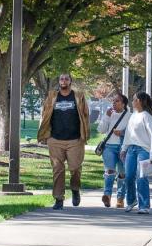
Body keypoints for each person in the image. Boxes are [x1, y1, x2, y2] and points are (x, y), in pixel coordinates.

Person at [37, 72, 91, 210]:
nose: (64, 80)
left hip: (75, 140)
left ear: (70, 81)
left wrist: (84, 135)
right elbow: (44, 115)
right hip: (55, 139)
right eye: (61, 78)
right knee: (57, 169)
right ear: (59, 82)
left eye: (66, 78)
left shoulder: (78, 96)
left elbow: (85, 116)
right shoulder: (52, 96)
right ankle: (59, 199)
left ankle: (75, 189)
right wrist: (45, 136)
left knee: (75, 169)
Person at [122, 91, 152, 214]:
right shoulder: (132, 115)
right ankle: (131, 200)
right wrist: (124, 148)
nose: (132, 101)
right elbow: (128, 134)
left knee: (141, 177)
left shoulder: (147, 116)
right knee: (128, 177)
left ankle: (144, 205)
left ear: (139, 101)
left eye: (134, 99)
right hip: (131, 150)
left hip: (143, 150)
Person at [97, 91, 130, 208]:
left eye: (117, 101)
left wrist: (122, 133)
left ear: (124, 104)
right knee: (109, 171)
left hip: (123, 148)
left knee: (122, 174)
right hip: (109, 147)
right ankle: (107, 195)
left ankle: (120, 198)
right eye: (113, 101)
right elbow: (101, 130)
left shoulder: (129, 116)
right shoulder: (109, 114)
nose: (114, 103)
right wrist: (106, 117)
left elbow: (133, 132)